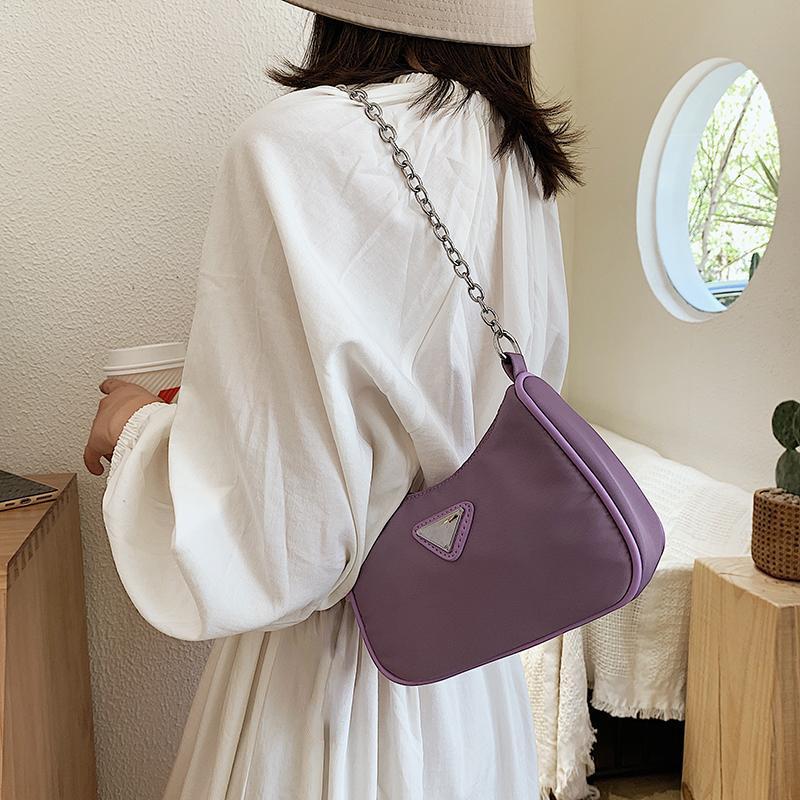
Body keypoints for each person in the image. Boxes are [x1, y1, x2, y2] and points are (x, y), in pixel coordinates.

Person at [84, 1, 583, 797]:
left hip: (326, 684)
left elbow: (285, 532)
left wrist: (135, 425)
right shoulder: (516, 153)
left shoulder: (290, 144)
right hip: (467, 674)